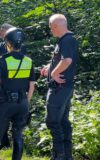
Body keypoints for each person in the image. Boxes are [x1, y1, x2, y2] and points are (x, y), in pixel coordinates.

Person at [0, 28, 35, 160]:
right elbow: (32, 85)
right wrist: (27, 100)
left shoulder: (2, 61)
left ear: (8, 44)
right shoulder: (28, 61)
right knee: (18, 135)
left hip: (5, 103)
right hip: (22, 103)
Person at [40, 14, 78, 160]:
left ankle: (58, 156)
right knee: (62, 121)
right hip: (65, 88)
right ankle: (67, 156)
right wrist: (49, 67)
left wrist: (54, 73)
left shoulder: (67, 40)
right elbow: (61, 60)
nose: (51, 30)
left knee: (53, 121)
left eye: (51, 27)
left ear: (55, 26)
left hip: (59, 88)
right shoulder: (66, 40)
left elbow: (67, 60)